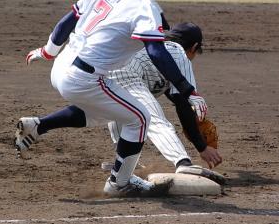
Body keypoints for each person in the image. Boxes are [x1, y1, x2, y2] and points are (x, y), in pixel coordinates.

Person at [18, 0, 208, 197]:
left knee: (115, 110)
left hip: (64, 65)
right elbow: (156, 51)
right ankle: (120, 183)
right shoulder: (146, 7)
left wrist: (48, 51)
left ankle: (37, 126)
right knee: (140, 118)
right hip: (84, 78)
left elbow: (68, 20)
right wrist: (188, 91)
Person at [16, 23, 224, 184]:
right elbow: (182, 105)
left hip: (107, 72)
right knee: (153, 119)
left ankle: (39, 125)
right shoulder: (179, 54)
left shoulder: (156, 45)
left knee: (108, 113)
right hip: (128, 76)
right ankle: (183, 163)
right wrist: (201, 146)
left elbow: (173, 95)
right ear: (194, 47)